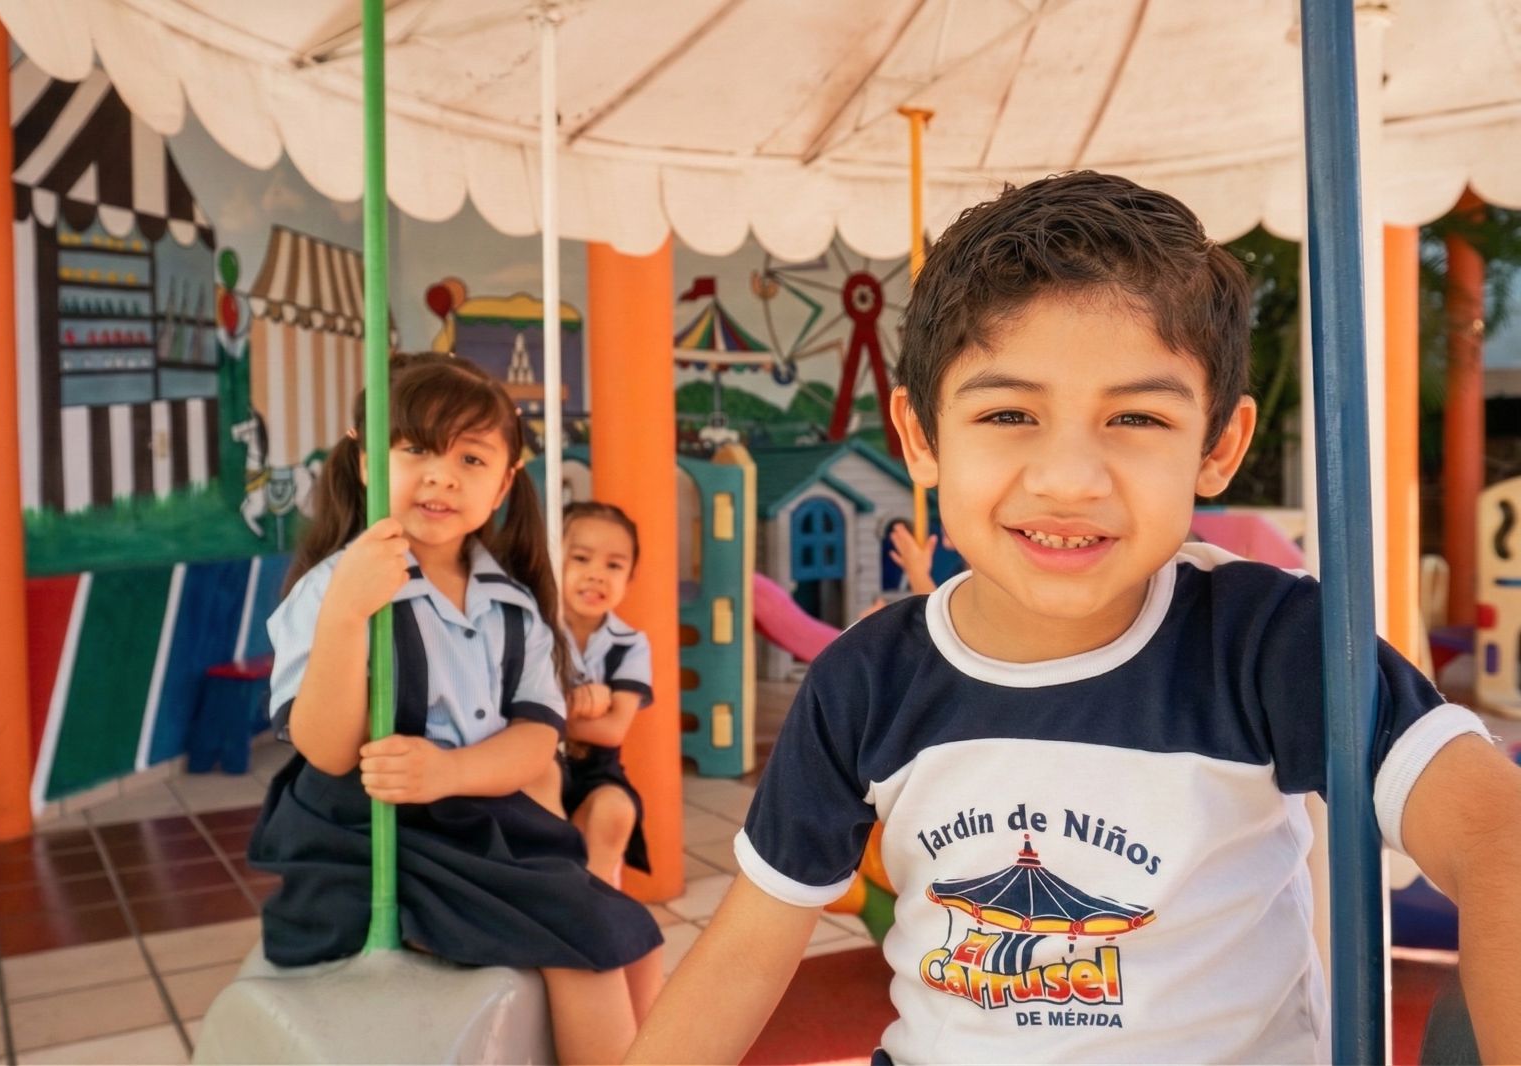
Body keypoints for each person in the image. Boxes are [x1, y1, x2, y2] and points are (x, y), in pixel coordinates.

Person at [628, 172, 1521, 1064]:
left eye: (1134, 416)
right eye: (1009, 412)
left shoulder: (1275, 644)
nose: (1068, 478)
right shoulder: (867, 682)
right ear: (921, 438)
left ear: (1218, 447)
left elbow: (1496, 836)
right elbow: (743, 957)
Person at [246, 356, 661, 1064]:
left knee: (640, 939)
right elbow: (326, 749)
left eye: (469, 458)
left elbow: (536, 739)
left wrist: (450, 771)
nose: (440, 475)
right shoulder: (331, 588)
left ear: (502, 485)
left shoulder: (514, 606)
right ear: (369, 461)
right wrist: (348, 613)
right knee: (586, 947)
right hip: (372, 834)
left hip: (475, 818)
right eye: (415, 450)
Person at [554, 501, 665, 1020]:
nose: (596, 573)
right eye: (581, 558)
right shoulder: (534, 629)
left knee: (615, 812)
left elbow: (613, 728)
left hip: (596, 769)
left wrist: (556, 709)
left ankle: (597, 914)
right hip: (534, 763)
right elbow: (513, 716)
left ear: (630, 576)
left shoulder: (628, 644)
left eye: (614, 565)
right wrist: (577, 705)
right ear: (555, 558)